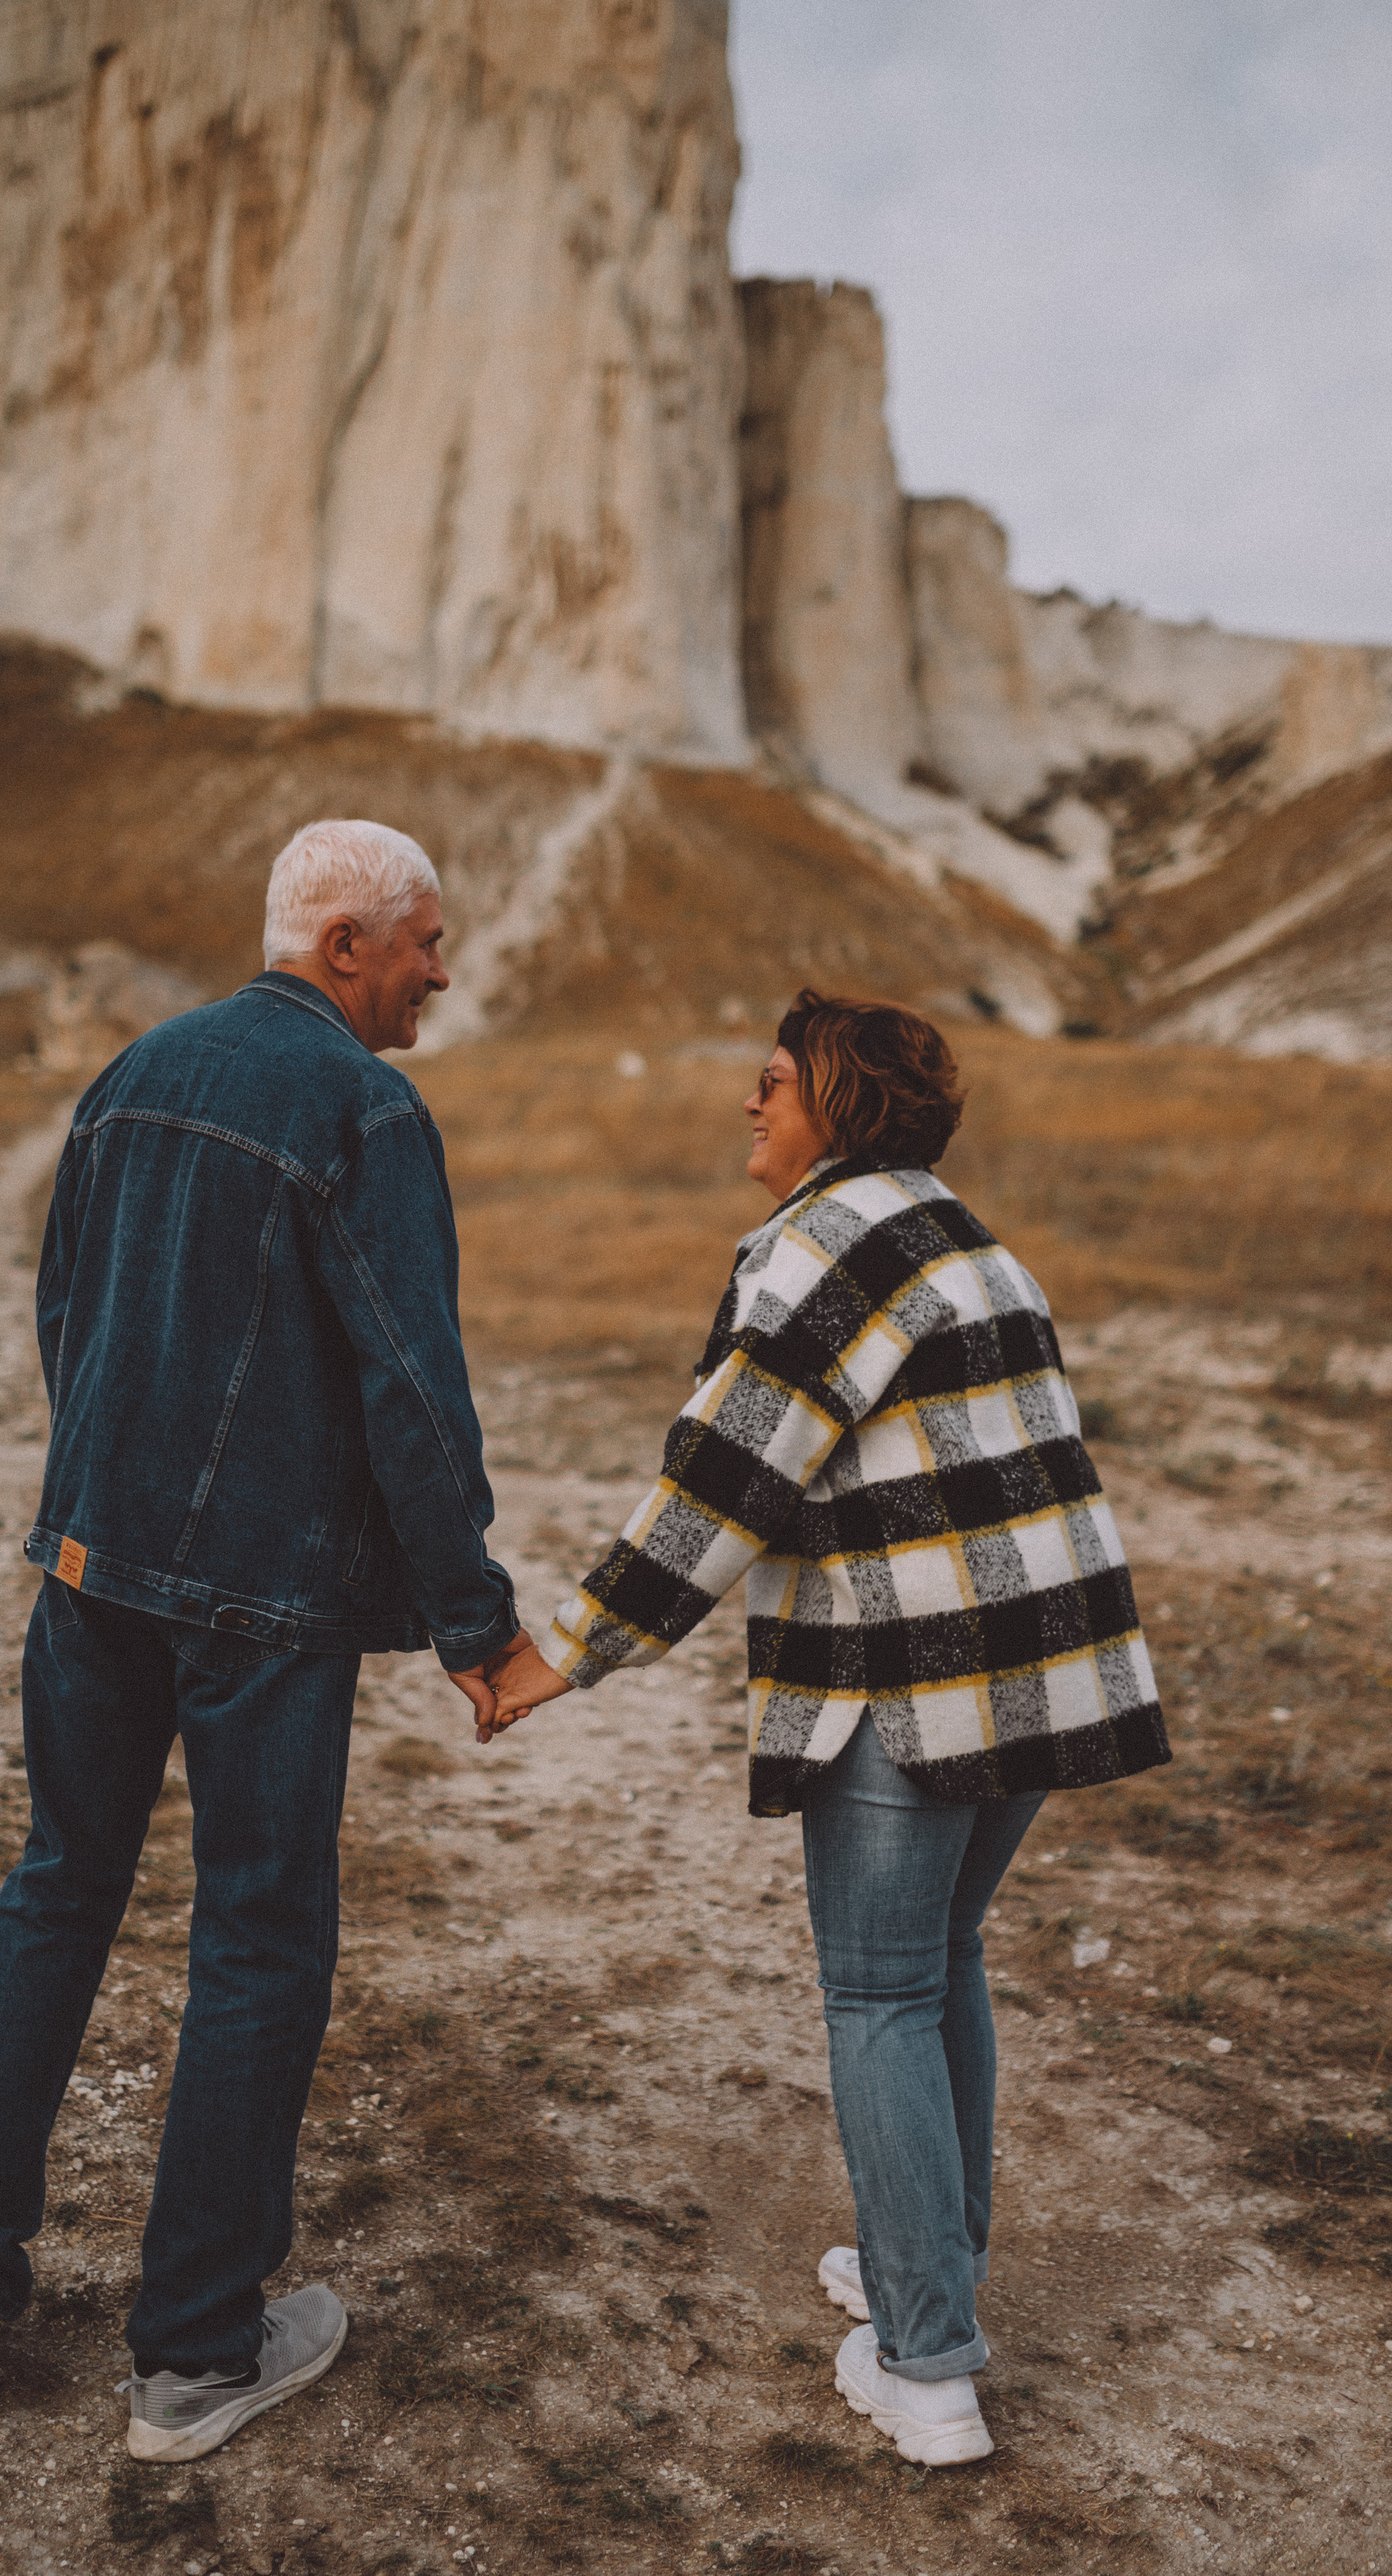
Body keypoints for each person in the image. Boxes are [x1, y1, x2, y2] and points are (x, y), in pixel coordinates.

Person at [0, 820, 518, 2461]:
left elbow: (63, 1317)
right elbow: (410, 1381)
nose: (441, 972)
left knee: (58, 1883)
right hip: (262, 1598)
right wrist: (473, 1615)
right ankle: (193, 2354)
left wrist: (105, 1491)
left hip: (93, 1563)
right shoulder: (366, 1108)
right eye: (424, 943)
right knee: (255, 1937)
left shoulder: (134, 1072)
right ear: (342, 946)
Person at [483, 991, 1169, 2468]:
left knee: (874, 1997)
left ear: (834, 1105)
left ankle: (923, 2366)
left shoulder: (812, 1248)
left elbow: (728, 1477)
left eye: (773, 1080)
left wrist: (565, 1652)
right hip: (1042, 1678)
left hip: (907, 1687)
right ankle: (930, 2258)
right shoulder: (974, 1242)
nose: (749, 1101)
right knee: (936, 1968)